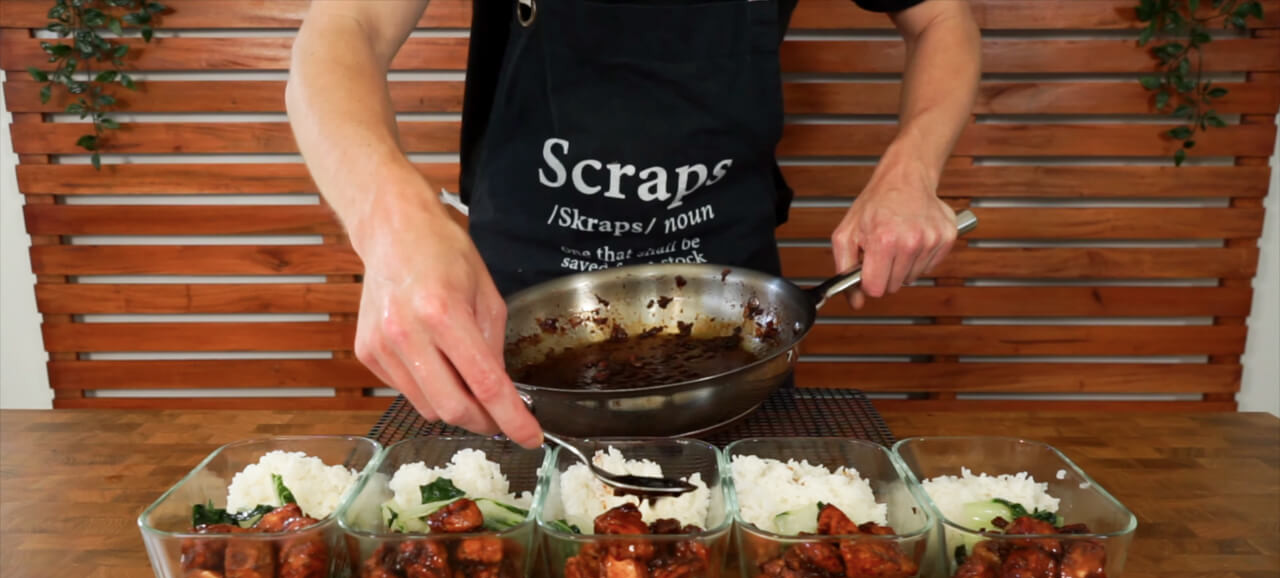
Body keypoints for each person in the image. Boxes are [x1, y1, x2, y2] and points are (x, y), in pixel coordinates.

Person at [287, 0, 981, 449]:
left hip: (733, 332)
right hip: (512, 325)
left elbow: (942, 19)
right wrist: (391, 217)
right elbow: (344, 29)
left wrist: (911, 170)